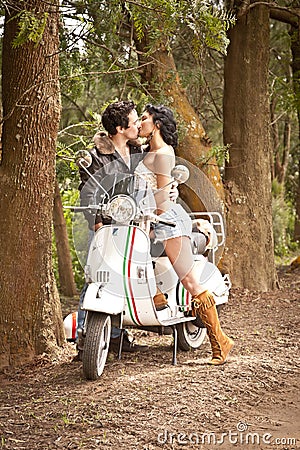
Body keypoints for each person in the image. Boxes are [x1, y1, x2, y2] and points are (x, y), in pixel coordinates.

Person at [137, 104, 234, 365]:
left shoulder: (164, 154)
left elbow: (161, 197)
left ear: (156, 124)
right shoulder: (148, 150)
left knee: (191, 283)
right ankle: (157, 296)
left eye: (144, 118)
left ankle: (220, 342)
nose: (140, 122)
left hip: (167, 222)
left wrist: (150, 201)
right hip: (147, 222)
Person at [77, 100, 174, 355]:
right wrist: (97, 224)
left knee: (121, 277)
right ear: (120, 129)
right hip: (104, 226)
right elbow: (88, 194)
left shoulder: (137, 149)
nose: (138, 125)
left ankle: (118, 337)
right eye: (133, 122)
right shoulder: (95, 156)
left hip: (132, 226)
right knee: (95, 276)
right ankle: (85, 340)